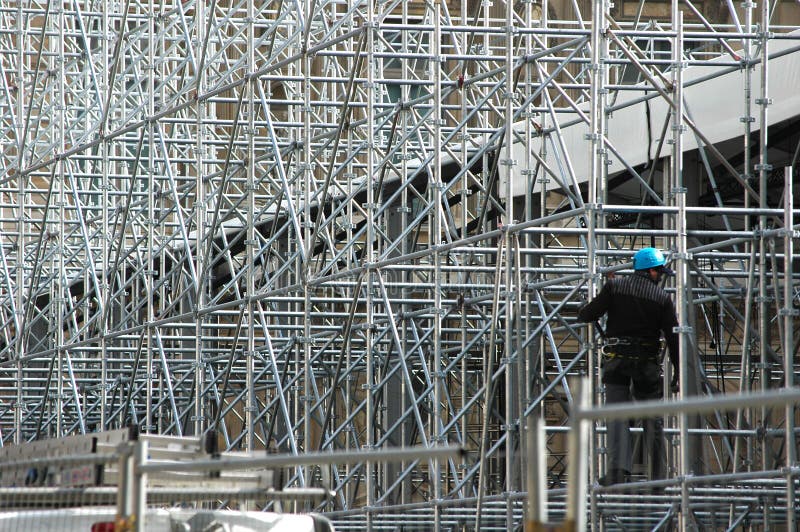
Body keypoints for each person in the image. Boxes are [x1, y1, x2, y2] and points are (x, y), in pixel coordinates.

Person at [577, 247, 679, 486]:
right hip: (646, 364)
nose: (660, 276)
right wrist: (677, 372)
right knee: (652, 420)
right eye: (658, 272)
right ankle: (658, 476)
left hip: (617, 360)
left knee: (616, 415)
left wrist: (583, 310)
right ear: (651, 271)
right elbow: (673, 337)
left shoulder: (615, 287)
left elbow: (589, 314)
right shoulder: (662, 298)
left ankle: (618, 470)